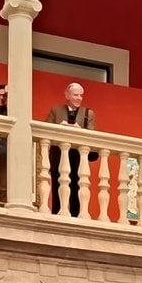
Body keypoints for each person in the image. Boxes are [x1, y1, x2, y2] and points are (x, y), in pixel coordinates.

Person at [45, 81, 98, 216]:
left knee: (77, 184)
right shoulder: (56, 110)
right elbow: (45, 129)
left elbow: (92, 134)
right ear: (67, 95)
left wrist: (80, 130)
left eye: (81, 95)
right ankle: (57, 211)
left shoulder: (88, 113)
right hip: (58, 154)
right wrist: (59, 127)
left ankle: (76, 213)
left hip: (77, 156)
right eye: (75, 95)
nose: (79, 98)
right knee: (57, 183)